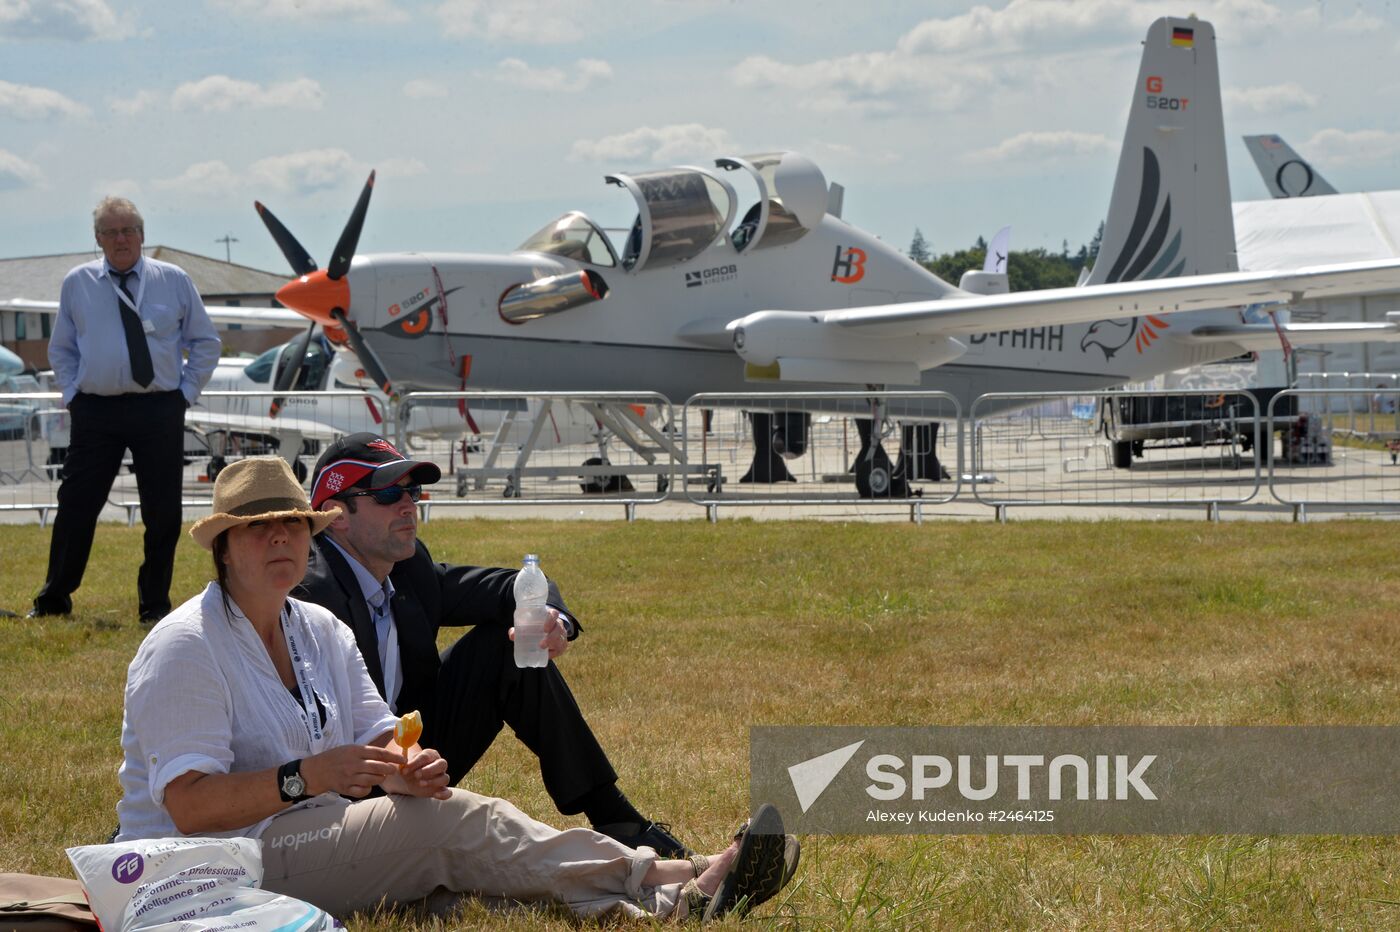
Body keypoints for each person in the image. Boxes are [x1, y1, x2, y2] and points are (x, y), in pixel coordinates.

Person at [115, 457, 797, 922]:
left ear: (313, 531)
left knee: (463, 857)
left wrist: (409, 766)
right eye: (258, 529)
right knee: (458, 827)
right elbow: (188, 806)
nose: (279, 540)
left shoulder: (316, 626)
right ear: (224, 547)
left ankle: (673, 890)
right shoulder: (187, 645)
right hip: (210, 870)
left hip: (305, 835)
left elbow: (379, 728)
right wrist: (305, 777)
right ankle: (675, 882)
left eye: (291, 524)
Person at [294, 433, 691, 856]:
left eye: (412, 490)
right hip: (339, 790)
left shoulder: (408, 568)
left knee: (504, 648)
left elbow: (509, 586)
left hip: (414, 761)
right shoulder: (308, 593)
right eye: (389, 493)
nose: (410, 504)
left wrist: (551, 619)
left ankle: (616, 819)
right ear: (336, 514)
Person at [31, 196, 221, 623]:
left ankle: (154, 606)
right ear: (97, 239)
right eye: (111, 232)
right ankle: (53, 601)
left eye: (129, 230)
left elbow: (206, 343)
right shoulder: (77, 283)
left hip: (159, 409)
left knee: (163, 512)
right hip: (95, 412)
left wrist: (183, 395)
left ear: (143, 234)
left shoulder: (173, 280)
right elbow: (61, 348)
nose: (122, 239)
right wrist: (74, 395)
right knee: (76, 505)